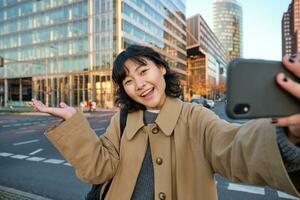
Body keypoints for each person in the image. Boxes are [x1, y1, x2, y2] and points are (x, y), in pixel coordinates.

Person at [29, 45, 300, 199]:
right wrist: (74, 124)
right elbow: (98, 171)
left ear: (162, 69)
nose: (139, 84)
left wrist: (289, 135)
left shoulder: (197, 117)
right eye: (128, 80)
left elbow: (236, 150)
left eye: (143, 71)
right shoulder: (121, 120)